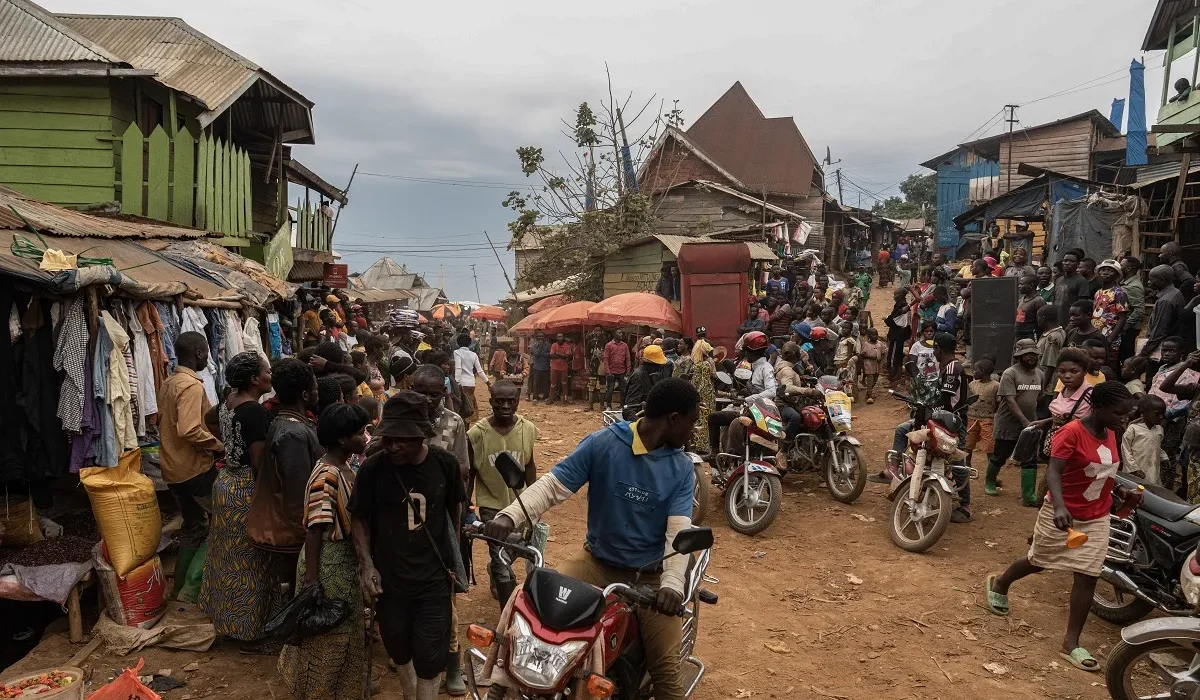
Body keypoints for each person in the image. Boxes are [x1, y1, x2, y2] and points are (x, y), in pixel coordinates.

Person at [482, 378, 701, 700]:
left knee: (666, 673)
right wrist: (509, 516)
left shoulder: (681, 468)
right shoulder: (605, 443)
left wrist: (671, 584)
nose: (693, 431)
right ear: (673, 419)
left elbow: (679, 530)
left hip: (651, 577)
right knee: (534, 608)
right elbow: (553, 486)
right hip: (597, 563)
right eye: (692, 422)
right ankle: (504, 685)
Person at [986, 381, 1139, 673]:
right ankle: (1001, 583)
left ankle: (1071, 642)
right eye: (1120, 413)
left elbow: (1104, 472)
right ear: (1100, 407)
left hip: (1096, 516)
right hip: (1063, 512)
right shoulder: (1071, 432)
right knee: (1039, 561)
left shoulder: (1110, 433)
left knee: (1088, 575)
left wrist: (1121, 494)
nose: (1124, 419)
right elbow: (1054, 471)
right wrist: (1058, 506)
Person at [351, 392, 466, 700]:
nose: (393, 446)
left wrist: (453, 564)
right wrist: (367, 566)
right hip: (390, 582)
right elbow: (359, 518)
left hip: (433, 581)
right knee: (398, 648)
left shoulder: (445, 464)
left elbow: (453, 515)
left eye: (401, 440)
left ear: (421, 436)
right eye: (388, 439)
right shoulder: (373, 469)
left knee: (430, 655)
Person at [278, 404, 371, 700]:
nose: (365, 437)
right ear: (343, 439)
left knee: (343, 631)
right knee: (328, 635)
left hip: (342, 563)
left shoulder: (344, 466)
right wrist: (312, 582)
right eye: (360, 433)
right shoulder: (326, 475)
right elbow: (316, 529)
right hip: (329, 564)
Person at [199, 352, 281, 652]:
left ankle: (229, 622)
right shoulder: (254, 412)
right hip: (247, 487)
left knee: (227, 557)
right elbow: (259, 462)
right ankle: (250, 632)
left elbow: (210, 419)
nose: (270, 376)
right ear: (254, 380)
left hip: (226, 484)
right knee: (251, 560)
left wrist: (230, 445)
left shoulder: (229, 402)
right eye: (266, 372)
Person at [158, 332, 224, 595]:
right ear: (199, 353)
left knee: (193, 527)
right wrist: (219, 446)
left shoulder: (169, 383)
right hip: (194, 470)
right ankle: (195, 588)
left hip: (173, 470)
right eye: (206, 351)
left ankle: (180, 590)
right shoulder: (191, 386)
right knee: (220, 523)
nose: (207, 356)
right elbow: (189, 429)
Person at [466, 380, 538, 605]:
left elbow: (529, 465)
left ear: (517, 402)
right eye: (500, 402)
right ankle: (506, 607)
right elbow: (471, 472)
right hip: (491, 504)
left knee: (521, 546)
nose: (505, 406)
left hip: (520, 503)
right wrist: (467, 505)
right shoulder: (476, 435)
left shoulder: (527, 429)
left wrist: (534, 498)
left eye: (510, 401)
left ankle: (498, 566)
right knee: (498, 556)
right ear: (491, 403)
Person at [706, 332, 777, 457]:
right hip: (750, 409)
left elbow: (771, 391)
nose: (744, 354)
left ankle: (717, 454)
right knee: (715, 417)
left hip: (757, 412)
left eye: (745, 351)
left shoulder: (766, 368)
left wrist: (750, 398)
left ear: (751, 351)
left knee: (714, 418)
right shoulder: (752, 367)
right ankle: (718, 453)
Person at [987, 340, 1044, 497]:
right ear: (1019, 356)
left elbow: (1039, 397)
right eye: (1027, 354)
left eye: (1034, 354)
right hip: (1008, 423)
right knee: (1000, 455)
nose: (1031, 357)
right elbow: (1010, 400)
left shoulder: (1040, 374)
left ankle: (1028, 495)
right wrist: (1023, 420)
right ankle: (990, 481)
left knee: (1030, 459)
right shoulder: (1010, 373)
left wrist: (1031, 420)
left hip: (1031, 423)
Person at [1140, 265, 1185, 362]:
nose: (1148, 282)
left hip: (1162, 349)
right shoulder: (1176, 292)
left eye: (1151, 280)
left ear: (1161, 280)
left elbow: (1159, 332)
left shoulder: (1165, 301)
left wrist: (1143, 353)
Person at [1122, 394, 1167, 487]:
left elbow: (1157, 447)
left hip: (1152, 470)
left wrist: (1164, 458)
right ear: (1144, 412)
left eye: (1163, 414)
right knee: (1134, 490)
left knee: (1151, 490)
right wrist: (1134, 469)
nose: (1161, 417)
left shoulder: (1159, 430)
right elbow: (1125, 450)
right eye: (1157, 414)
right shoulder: (1133, 429)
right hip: (1135, 471)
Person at [1091, 259, 1129, 367]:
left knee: (1109, 365)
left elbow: (1122, 318)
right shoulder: (1098, 292)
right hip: (1097, 336)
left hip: (1110, 338)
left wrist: (1110, 339)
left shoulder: (1119, 293)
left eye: (1110, 270)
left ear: (1117, 275)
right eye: (1102, 270)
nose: (1105, 272)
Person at [966, 356, 998, 474]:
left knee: (990, 446)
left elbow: (998, 402)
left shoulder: (995, 386)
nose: (974, 372)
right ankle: (967, 467)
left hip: (987, 420)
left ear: (983, 371)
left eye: (976, 370)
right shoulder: (972, 384)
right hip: (971, 418)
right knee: (968, 444)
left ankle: (991, 473)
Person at [1036, 305, 1067, 417]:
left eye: (1038, 317)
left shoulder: (1052, 338)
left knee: (1044, 414)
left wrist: (1042, 390)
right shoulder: (1055, 333)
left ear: (1043, 318)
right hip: (1046, 381)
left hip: (1049, 385)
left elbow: (1049, 366)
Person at [624, 345, 670, 417]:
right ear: (652, 363)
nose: (659, 367)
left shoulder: (650, 374)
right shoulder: (639, 376)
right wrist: (639, 425)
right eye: (658, 364)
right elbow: (630, 408)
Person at [453, 334, 489, 418]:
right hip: (471, 384)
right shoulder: (473, 355)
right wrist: (487, 382)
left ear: (458, 343)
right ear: (469, 343)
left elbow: (458, 368)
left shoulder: (457, 352)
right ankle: (467, 427)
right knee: (469, 406)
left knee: (461, 407)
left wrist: (456, 382)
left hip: (461, 383)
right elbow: (480, 371)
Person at [1119, 256, 1145, 365]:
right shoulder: (1124, 282)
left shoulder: (1134, 286)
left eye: (1121, 265)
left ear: (1128, 269)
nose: (1119, 268)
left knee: (1125, 355)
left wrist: (1126, 326)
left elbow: (1139, 310)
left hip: (1129, 329)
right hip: (1124, 326)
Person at [1053, 251, 1089, 327]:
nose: (1067, 263)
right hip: (1056, 321)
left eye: (1072, 261)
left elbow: (1082, 306)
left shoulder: (1081, 281)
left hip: (1070, 323)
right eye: (1065, 260)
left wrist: (1072, 322)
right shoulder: (1058, 280)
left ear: (1078, 264)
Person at [884, 289, 911, 379]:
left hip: (896, 334)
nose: (894, 296)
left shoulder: (901, 305)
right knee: (898, 355)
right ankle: (897, 375)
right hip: (899, 334)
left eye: (895, 294)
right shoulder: (902, 304)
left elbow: (893, 319)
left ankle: (893, 376)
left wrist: (887, 320)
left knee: (893, 356)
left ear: (901, 295)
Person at [859, 327, 887, 404]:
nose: (875, 336)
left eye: (876, 334)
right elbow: (862, 355)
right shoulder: (866, 344)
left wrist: (881, 358)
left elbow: (883, 353)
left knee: (875, 379)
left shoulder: (880, 344)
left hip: (877, 365)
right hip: (869, 365)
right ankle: (870, 396)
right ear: (868, 336)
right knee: (870, 380)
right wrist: (871, 357)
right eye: (872, 335)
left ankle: (869, 392)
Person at [604, 332, 631, 410]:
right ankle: (609, 406)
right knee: (610, 390)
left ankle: (622, 406)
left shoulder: (625, 345)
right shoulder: (609, 345)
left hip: (622, 371)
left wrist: (628, 370)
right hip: (611, 371)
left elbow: (627, 358)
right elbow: (606, 359)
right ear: (615, 335)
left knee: (623, 390)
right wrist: (608, 371)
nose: (621, 334)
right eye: (619, 333)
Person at [1015, 274, 1046, 341]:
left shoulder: (1038, 301)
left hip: (1030, 338)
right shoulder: (1022, 299)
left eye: (1021, 284)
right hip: (1019, 336)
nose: (1019, 286)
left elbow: (1043, 321)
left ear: (1031, 285)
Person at [547, 333, 572, 403]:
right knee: (553, 384)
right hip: (554, 368)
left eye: (561, 337)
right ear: (556, 338)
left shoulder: (567, 346)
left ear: (563, 337)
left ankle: (565, 399)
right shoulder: (554, 345)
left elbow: (567, 356)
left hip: (563, 368)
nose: (559, 338)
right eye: (558, 337)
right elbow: (551, 355)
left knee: (564, 384)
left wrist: (557, 354)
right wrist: (562, 356)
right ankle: (551, 399)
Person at [529, 331, 551, 402]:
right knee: (536, 383)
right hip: (537, 367)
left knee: (545, 382)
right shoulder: (535, 345)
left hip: (545, 366)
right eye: (539, 336)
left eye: (542, 336)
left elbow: (550, 354)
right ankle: (535, 397)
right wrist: (540, 347)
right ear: (537, 337)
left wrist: (543, 354)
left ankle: (546, 396)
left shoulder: (548, 345)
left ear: (544, 337)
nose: (540, 337)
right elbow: (536, 354)